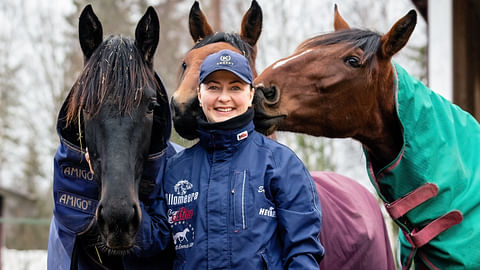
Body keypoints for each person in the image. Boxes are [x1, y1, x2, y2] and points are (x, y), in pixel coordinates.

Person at [156, 49, 324, 269]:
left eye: (235, 87)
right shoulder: (175, 170)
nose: (224, 97)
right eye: (213, 87)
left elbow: (302, 251)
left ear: (251, 94)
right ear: (199, 94)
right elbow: (155, 245)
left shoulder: (281, 164)